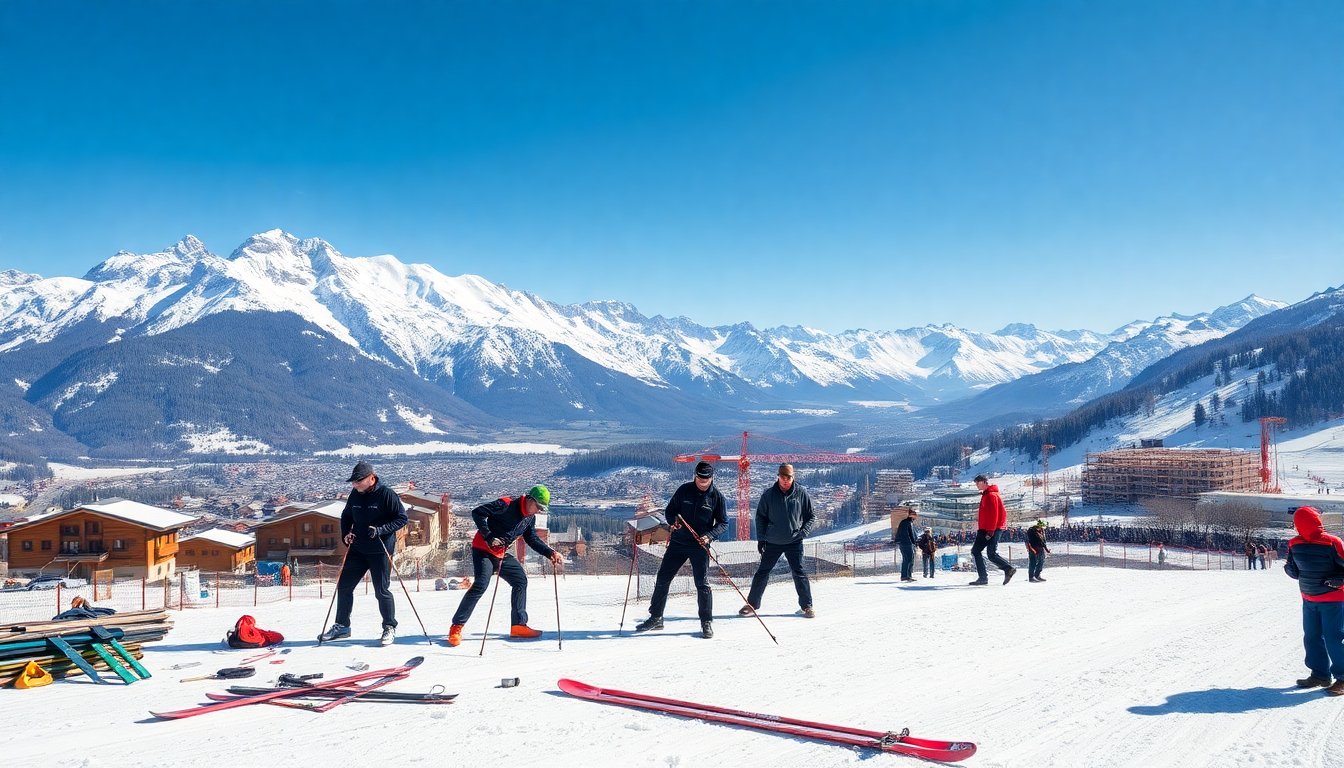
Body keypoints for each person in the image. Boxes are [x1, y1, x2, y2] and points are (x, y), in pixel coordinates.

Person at [446, 485, 563, 647]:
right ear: (530, 499)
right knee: (481, 584)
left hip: (500, 554)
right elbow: (478, 513)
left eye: (542, 509)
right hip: (483, 549)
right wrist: (488, 536)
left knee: (520, 580)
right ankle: (456, 627)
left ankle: (518, 626)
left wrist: (550, 552)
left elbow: (531, 539)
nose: (538, 511)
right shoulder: (506, 504)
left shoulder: (530, 518)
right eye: (538, 507)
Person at [318, 461, 409, 646]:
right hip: (358, 549)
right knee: (344, 587)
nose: (355, 484)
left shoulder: (386, 494)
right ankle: (342, 626)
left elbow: (401, 518)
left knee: (381, 590)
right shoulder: (355, 495)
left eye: (358, 480)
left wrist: (381, 529)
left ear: (371, 478)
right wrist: (346, 534)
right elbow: (346, 516)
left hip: (380, 550)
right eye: (353, 481)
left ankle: (389, 627)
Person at [636, 461, 728, 638]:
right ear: (695, 475)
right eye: (699, 478)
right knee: (663, 578)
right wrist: (673, 523)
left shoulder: (716, 497)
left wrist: (710, 536)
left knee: (702, 584)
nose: (702, 482)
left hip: (700, 545)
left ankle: (706, 622)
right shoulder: (683, 490)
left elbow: (723, 523)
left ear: (712, 478)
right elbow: (670, 511)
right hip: (678, 543)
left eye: (706, 479)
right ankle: (656, 617)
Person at [741, 463, 816, 618]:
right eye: (782, 477)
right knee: (762, 572)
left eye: (788, 477)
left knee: (799, 573)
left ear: (793, 477)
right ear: (778, 477)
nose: (785, 480)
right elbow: (760, 517)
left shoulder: (801, 493)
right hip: (772, 542)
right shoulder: (768, 495)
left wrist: (804, 532)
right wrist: (761, 539)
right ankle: (752, 605)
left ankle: (807, 606)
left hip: (794, 541)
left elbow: (810, 516)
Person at [1284, 506, 1344, 696]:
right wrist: (1291, 570)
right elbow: (1293, 568)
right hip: (1308, 599)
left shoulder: (1333, 543)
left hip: (1333, 600)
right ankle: (1320, 675)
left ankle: (1342, 678)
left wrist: (1341, 581)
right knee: (1311, 637)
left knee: (1334, 639)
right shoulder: (1294, 544)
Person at [969, 475, 1016, 586]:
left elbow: (993, 514)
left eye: (978, 482)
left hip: (990, 529)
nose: (976, 485)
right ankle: (1006, 570)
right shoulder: (987, 494)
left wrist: (990, 531)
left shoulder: (990, 495)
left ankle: (986, 577)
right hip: (987, 528)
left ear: (984, 482)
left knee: (985, 552)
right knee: (986, 553)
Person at [894, 508, 919, 582]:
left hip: (903, 543)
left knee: (905, 559)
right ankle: (907, 576)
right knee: (910, 559)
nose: (916, 517)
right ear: (912, 516)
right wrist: (915, 543)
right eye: (915, 516)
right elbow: (911, 534)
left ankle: (904, 576)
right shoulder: (909, 523)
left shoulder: (904, 522)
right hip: (907, 543)